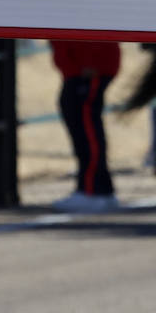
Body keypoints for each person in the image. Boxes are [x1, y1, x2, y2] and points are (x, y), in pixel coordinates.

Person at [50, 39, 121, 213]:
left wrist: (89, 62)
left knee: (87, 132)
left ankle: (91, 189)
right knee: (86, 129)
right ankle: (102, 189)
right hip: (79, 67)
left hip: (86, 68)